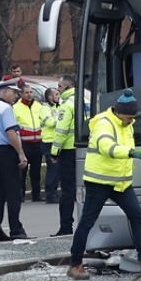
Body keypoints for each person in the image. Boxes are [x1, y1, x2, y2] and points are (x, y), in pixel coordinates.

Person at [67, 89, 141, 280]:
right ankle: (75, 265)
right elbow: (106, 147)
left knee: (136, 215)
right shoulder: (104, 123)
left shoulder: (127, 124)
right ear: (118, 112)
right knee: (87, 222)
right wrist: (131, 153)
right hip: (99, 182)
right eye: (127, 117)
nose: (130, 121)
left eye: (132, 118)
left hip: (121, 183)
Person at [0, 78, 29, 242]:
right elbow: (11, 133)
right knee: (13, 193)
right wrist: (21, 153)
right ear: (4, 92)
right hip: (8, 152)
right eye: (14, 93)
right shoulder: (6, 109)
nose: (16, 96)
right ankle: (16, 229)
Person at [52, 75, 87, 236]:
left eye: (59, 87)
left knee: (67, 191)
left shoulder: (67, 104)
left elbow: (61, 130)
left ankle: (66, 226)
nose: (57, 90)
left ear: (67, 87)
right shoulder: (87, 99)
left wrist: (54, 151)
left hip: (68, 151)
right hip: (88, 150)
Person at [14, 81, 46, 202]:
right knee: (22, 171)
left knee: (36, 171)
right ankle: (20, 194)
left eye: (31, 92)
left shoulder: (39, 106)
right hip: (24, 144)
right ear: (21, 94)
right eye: (26, 92)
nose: (29, 94)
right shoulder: (16, 108)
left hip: (38, 143)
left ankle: (36, 194)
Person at [42, 87, 61, 204]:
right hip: (49, 142)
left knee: (59, 169)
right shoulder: (45, 108)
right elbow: (49, 122)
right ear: (50, 97)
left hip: (58, 142)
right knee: (53, 169)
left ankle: (55, 192)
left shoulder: (59, 107)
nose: (59, 96)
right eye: (56, 94)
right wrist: (62, 121)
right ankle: (50, 194)